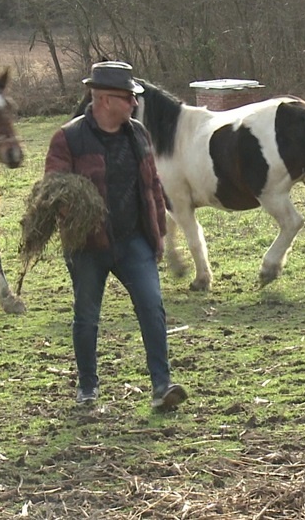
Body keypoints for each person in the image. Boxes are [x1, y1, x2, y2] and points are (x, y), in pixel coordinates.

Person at [43, 61, 187, 411]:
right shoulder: (69, 138)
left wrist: (159, 234)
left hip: (134, 240)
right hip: (89, 246)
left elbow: (152, 185)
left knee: (152, 306)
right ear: (104, 99)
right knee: (87, 315)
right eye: (128, 98)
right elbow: (54, 190)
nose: (134, 104)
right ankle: (87, 388)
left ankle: (161, 386)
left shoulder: (138, 133)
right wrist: (75, 218)